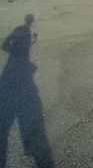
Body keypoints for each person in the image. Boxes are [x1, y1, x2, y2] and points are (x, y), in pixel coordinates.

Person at [0, 14, 54, 168]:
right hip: (15, 73)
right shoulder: (23, 30)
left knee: (5, 125)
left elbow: (7, 46)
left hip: (10, 73)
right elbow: (5, 46)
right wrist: (16, 52)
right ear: (30, 21)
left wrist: (16, 51)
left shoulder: (21, 30)